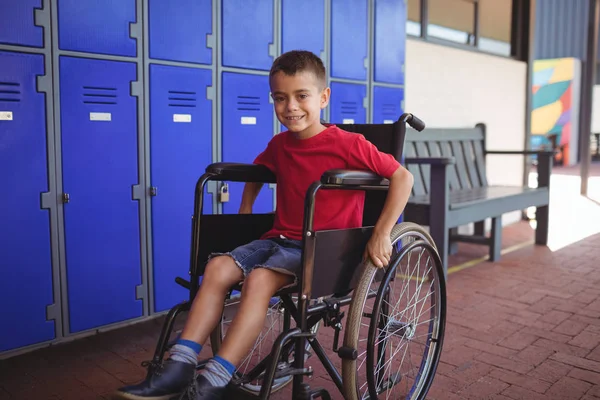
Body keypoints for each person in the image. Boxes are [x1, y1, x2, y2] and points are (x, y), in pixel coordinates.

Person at [114, 50, 414, 400]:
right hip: (278, 240)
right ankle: (180, 365)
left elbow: (402, 178)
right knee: (217, 268)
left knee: (257, 280)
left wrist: (381, 233)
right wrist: (245, 209)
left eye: (302, 96)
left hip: (323, 250)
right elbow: (258, 173)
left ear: (323, 97)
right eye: (280, 98)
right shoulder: (280, 144)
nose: (291, 107)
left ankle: (215, 378)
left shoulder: (349, 144)